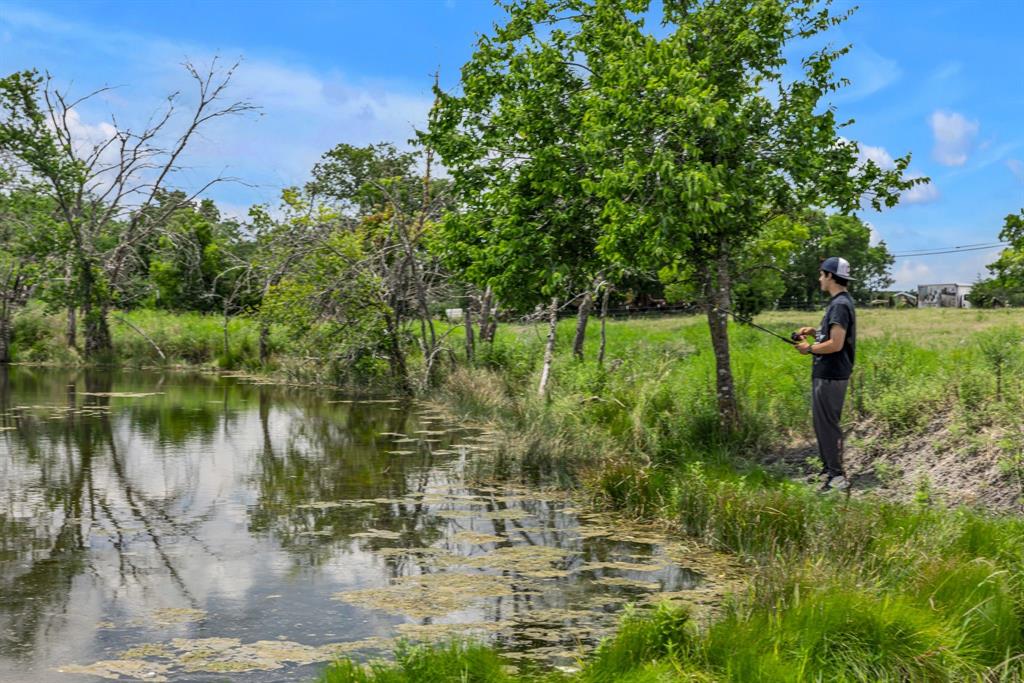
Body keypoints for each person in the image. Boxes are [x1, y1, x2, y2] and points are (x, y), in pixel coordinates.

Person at [794, 257, 857, 493]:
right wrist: (814, 332)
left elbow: (836, 343)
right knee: (822, 425)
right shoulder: (839, 302)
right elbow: (830, 334)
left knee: (828, 426)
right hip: (827, 373)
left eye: (822, 274)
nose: (819, 278)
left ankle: (837, 478)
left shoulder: (839, 304)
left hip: (831, 374)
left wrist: (808, 348)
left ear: (830, 276)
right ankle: (828, 471)